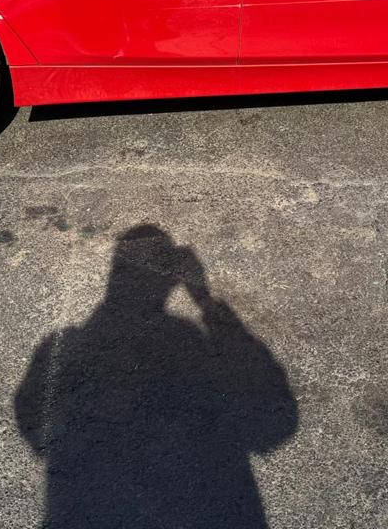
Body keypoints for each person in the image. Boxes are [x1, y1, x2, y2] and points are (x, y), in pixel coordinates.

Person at [15, 224, 298, 528]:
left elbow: (34, 422)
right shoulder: (186, 336)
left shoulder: (65, 344)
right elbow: (275, 424)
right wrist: (205, 301)